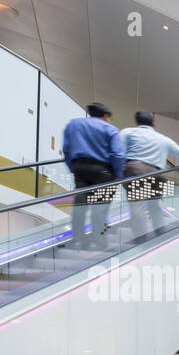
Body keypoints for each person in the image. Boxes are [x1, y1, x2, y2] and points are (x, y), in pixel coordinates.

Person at [119, 111, 179, 238]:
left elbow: (118, 152)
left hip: (135, 171)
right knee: (154, 206)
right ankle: (160, 235)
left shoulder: (128, 132)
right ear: (153, 124)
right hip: (156, 174)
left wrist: (119, 171)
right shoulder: (163, 139)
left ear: (137, 122)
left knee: (137, 205)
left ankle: (141, 238)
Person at [61, 103, 125, 248]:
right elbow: (118, 154)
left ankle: (79, 240)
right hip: (103, 171)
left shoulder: (73, 124)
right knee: (99, 208)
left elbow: (66, 149)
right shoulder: (110, 129)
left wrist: (73, 167)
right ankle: (100, 242)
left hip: (80, 169)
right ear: (105, 116)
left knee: (80, 206)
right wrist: (118, 174)